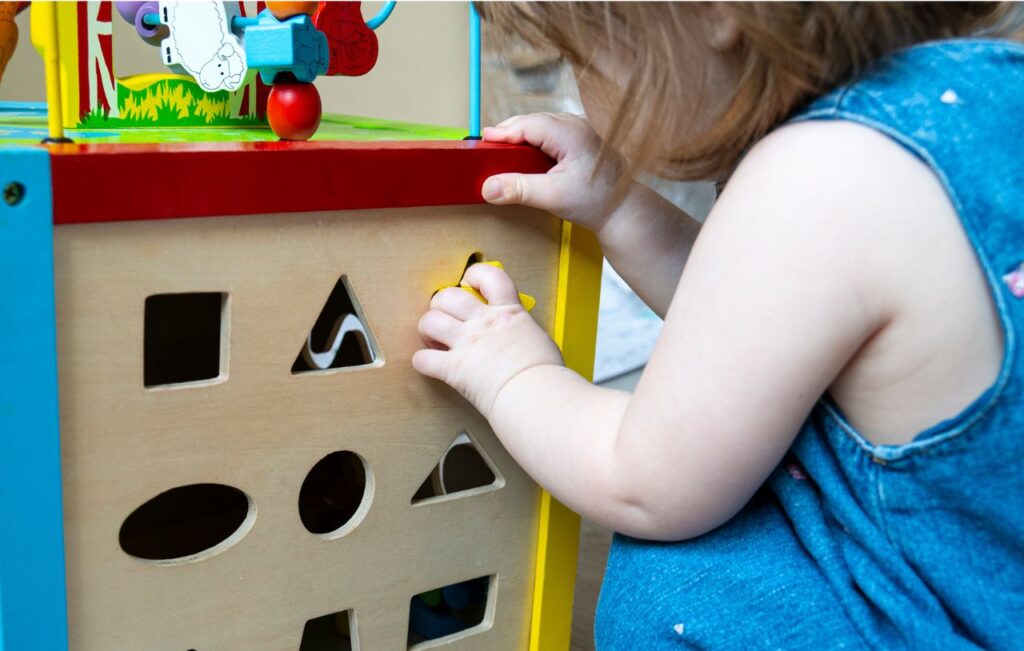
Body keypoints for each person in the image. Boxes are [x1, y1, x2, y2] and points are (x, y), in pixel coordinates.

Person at [412, 4, 1024, 648]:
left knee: (676, 578)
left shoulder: (814, 175)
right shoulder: (983, 90)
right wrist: (616, 204)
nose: (582, 93)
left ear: (714, 12)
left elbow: (645, 482)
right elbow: (755, 337)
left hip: (950, 618)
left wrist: (513, 373)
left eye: (582, 59)